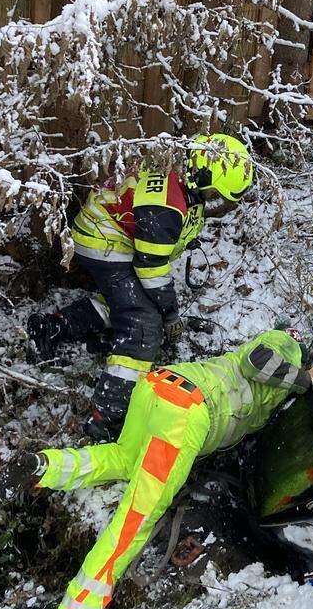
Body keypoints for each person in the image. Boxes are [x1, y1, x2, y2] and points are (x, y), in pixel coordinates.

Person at [0, 329, 313, 609]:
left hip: (158, 389)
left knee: (123, 457)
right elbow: (258, 360)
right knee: (136, 518)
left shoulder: (266, 388)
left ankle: (44, 467)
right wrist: (307, 377)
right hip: (185, 413)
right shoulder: (284, 344)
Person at [27, 133, 255, 440]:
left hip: (111, 230)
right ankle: (107, 415)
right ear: (203, 173)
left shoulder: (180, 176)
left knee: (124, 299)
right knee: (143, 324)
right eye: (214, 191)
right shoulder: (165, 203)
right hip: (103, 238)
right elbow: (151, 268)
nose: (213, 198)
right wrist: (170, 314)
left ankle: (55, 326)